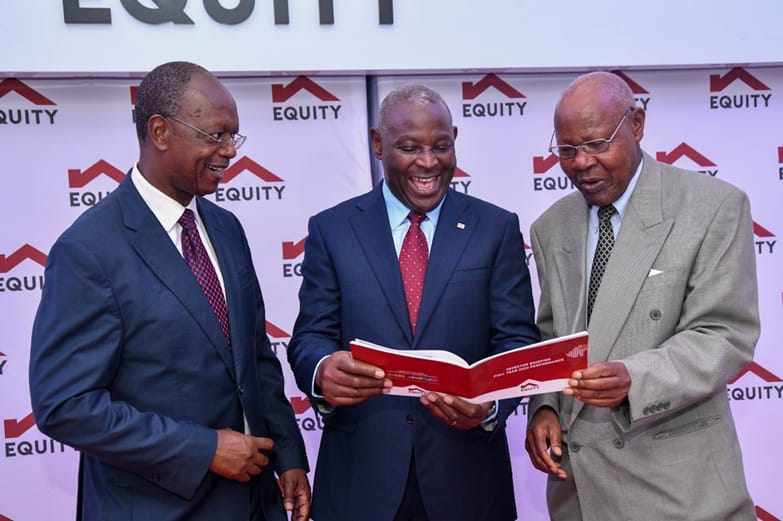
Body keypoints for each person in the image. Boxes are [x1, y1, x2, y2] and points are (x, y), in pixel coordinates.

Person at [29, 61, 310, 521]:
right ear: (160, 131)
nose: (228, 152)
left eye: (233, 137)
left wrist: (288, 454)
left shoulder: (226, 227)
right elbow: (66, 405)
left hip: (254, 504)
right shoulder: (88, 249)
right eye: (215, 136)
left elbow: (255, 358)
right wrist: (203, 449)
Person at [286, 83, 540, 521]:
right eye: (409, 147)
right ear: (377, 143)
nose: (428, 162)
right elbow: (311, 334)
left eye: (441, 146)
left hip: (468, 482)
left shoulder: (495, 228)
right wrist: (322, 370)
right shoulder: (333, 229)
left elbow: (516, 337)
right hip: (360, 482)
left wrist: (490, 403)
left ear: (455, 140)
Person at [524, 71, 760, 521]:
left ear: (637, 124)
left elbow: (724, 334)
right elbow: (551, 335)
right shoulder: (550, 228)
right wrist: (545, 407)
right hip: (581, 495)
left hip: (682, 494)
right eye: (567, 150)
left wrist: (634, 378)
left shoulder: (713, 207)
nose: (581, 163)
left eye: (596, 144)